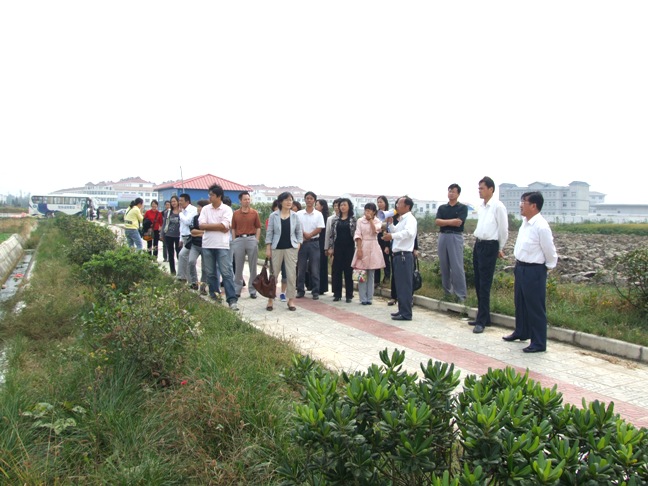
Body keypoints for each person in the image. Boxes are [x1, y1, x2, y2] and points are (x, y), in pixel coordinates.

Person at [503, 192, 558, 353]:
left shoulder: (541, 226)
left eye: (524, 202)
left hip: (534, 270)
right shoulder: (525, 223)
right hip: (521, 267)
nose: (521, 205)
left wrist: (546, 267)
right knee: (520, 303)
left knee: (535, 307)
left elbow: (549, 250)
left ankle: (539, 342)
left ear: (534, 206)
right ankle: (521, 331)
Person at [470, 176, 509, 334]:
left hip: (490, 245)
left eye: (482, 188)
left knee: (485, 284)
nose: (479, 191)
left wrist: (500, 247)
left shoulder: (498, 206)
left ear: (491, 189)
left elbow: (503, 230)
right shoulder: (482, 207)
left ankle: (481, 322)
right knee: (478, 282)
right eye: (478, 188)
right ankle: (484, 316)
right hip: (479, 244)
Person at [199, 184, 239, 311]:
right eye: (209, 195)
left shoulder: (227, 209)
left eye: (211, 195)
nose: (209, 197)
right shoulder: (205, 209)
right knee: (210, 273)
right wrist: (218, 226)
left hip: (222, 245)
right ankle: (215, 297)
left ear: (219, 196)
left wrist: (209, 226)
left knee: (226, 273)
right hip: (207, 245)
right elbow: (201, 225)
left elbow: (225, 226)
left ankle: (232, 300)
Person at [382, 196, 417, 321]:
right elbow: (397, 231)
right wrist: (391, 224)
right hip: (398, 255)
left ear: (407, 206)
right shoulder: (402, 219)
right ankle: (402, 310)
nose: (397, 206)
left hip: (404, 255)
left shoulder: (410, 219)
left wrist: (392, 236)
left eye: (399, 204)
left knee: (405, 285)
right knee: (400, 285)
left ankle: (406, 313)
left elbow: (409, 233)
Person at [266, 191, 303, 312]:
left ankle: (290, 300)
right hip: (276, 248)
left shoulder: (295, 216)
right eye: (286, 200)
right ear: (281, 202)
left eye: (291, 200)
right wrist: (268, 248)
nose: (289, 202)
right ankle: (270, 299)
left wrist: (298, 244)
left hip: (291, 248)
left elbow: (299, 232)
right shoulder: (274, 216)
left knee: (291, 275)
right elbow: (269, 232)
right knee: (273, 275)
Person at [435, 184, 468, 303]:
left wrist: (445, 222)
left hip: (455, 236)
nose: (451, 193)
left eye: (453, 191)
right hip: (443, 236)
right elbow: (437, 222)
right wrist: (451, 221)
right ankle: (447, 293)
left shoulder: (462, 208)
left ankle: (461, 295)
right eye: (449, 191)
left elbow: (459, 222)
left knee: (456, 266)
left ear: (458, 194)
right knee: (444, 265)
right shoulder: (442, 208)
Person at [352, 202, 385, 305]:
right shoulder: (360, 221)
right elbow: (358, 234)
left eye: (369, 210)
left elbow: (375, 231)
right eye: (366, 210)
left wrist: (370, 220)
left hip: (373, 246)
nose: (367, 212)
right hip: (363, 245)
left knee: (371, 273)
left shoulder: (377, 221)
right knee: (362, 273)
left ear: (374, 212)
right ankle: (363, 298)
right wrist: (359, 249)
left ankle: (370, 298)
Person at [231, 191, 262, 299]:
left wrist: (256, 240)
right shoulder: (236, 213)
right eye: (245, 199)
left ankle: (252, 290)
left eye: (248, 199)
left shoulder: (254, 213)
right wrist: (234, 241)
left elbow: (258, 227)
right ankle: (237, 289)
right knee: (238, 266)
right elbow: (233, 228)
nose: (247, 201)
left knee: (253, 267)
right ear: (240, 201)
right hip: (239, 240)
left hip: (251, 239)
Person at [296, 191, 325, 300]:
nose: (309, 200)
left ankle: (315, 291)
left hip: (314, 243)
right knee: (301, 268)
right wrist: (304, 234)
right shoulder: (299, 214)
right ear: (304, 200)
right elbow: (297, 227)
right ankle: (300, 290)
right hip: (302, 243)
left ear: (314, 201)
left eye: (311, 198)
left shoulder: (318, 214)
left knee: (315, 268)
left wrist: (310, 235)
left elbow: (320, 228)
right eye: (307, 198)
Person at [328, 198, 356, 303]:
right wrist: (331, 247)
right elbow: (331, 235)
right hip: (338, 248)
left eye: (344, 205)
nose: (342, 207)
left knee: (348, 271)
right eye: (341, 205)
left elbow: (356, 234)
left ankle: (349, 295)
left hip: (349, 248)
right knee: (337, 271)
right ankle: (337, 294)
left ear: (349, 206)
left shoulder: (353, 219)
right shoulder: (335, 220)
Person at [188, 199, 210, 294]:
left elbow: (209, 232)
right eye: (198, 206)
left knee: (205, 268)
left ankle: (203, 286)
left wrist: (201, 232)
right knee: (191, 261)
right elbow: (192, 232)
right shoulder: (195, 218)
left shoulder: (209, 219)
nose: (198, 208)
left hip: (206, 245)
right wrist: (204, 232)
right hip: (195, 245)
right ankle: (194, 282)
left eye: (200, 206)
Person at [176, 193, 198, 283]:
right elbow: (182, 226)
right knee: (187, 259)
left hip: (191, 238)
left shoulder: (192, 210)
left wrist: (180, 214)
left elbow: (187, 221)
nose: (179, 202)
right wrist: (180, 239)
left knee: (183, 256)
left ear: (187, 201)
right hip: (184, 237)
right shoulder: (183, 211)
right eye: (179, 200)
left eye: (181, 200)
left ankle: (183, 278)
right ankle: (189, 280)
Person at [163, 195, 182, 275]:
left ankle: (180, 271)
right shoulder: (168, 212)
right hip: (169, 235)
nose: (173, 203)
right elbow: (164, 224)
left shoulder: (182, 212)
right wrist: (162, 234)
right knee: (170, 254)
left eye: (174, 201)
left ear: (178, 202)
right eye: (172, 202)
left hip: (178, 236)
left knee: (179, 254)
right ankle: (172, 271)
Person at [375, 196, 392, 286]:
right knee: (376, 259)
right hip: (377, 238)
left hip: (386, 238)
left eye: (381, 202)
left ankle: (387, 277)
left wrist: (387, 245)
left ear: (385, 203)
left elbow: (389, 229)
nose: (379, 204)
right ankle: (376, 280)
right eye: (378, 202)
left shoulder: (389, 214)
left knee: (385, 259)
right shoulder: (375, 214)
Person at [315, 199, 330, 295]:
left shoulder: (325, 217)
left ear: (322, 206)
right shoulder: (316, 215)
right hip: (317, 241)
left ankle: (321, 287)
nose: (315, 206)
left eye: (317, 205)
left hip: (322, 243)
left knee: (322, 265)